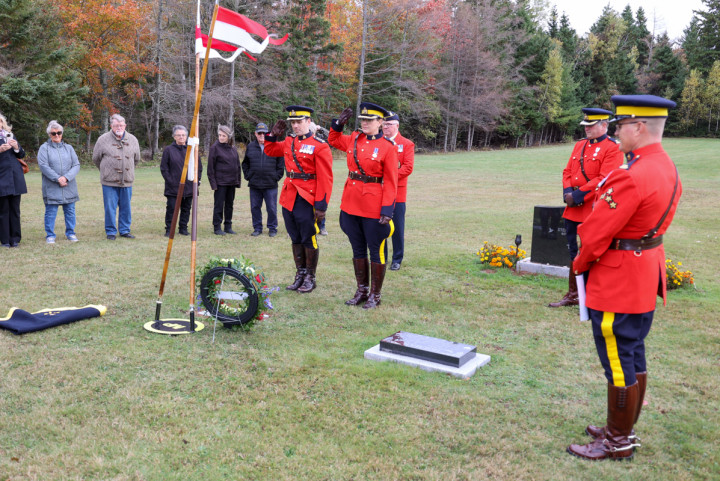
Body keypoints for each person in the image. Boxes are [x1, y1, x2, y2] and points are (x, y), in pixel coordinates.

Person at [566, 95, 682, 461]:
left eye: (621, 126)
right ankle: (623, 427)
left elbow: (595, 232)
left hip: (620, 278)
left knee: (617, 356)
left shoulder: (633, 175)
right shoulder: (666, 167)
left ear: (639, 127)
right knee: (633, 352)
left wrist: (580, 263)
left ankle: (617, 440)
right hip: (644, 271)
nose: (617, 133)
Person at [548, 108, 623, 307]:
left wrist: (578, 195)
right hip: (573, 208)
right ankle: (574, 294)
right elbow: (567, 171)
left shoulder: (612, 147)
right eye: (585, 126)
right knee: (573, 251)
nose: (587, 129)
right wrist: (567, 193)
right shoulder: (580, 145)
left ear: (604, 125)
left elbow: (604, 178)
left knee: (591, 251)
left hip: (593, 207)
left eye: (591, 126)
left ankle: (594, 294)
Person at [328, 102, 398, 309]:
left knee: (376, 250)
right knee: (357, 249)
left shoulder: (387, 147)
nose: (365, 123)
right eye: (363, 120)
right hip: (351, 203)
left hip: (373, 205)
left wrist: (387, 209)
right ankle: (361, 291)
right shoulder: (354, 139)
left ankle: (375, 295)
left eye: (369, 120)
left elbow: (391, 182)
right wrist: (339, 124)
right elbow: (333, 139)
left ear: (380, 123)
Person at [264, 105, 333, 293]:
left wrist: (321, 204)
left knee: (308, 236)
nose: (295, 126)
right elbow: (270, 150)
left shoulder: (321, 146)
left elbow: (326, 178)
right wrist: (272, 135)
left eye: (299, 122)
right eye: (292, 122)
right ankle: (300, 274)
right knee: (294, 236)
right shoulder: (288, 142)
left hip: (308, 196)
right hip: (289, 195)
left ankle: (310, 276)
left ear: (309, 122)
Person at [92, 113, 140, 240]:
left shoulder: (133, 139)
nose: (119, 127)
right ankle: (111, 232)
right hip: (109, 181)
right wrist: (106, 170)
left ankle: (124, 230)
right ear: (111, 126)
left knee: (126, 207)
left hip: (127, 180)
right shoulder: (102, 139)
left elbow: (136, 159)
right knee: (110, 208)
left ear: (125, 125)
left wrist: (127, 169)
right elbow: (96, 159)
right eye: (116, 125)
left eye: (121, 125)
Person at [37, 120, 81, 244]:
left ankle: (71, 233)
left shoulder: (69, 148)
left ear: (62, 133)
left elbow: (76, 164)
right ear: (49, 134)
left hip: (69, 185)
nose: (56, 135)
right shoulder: (44, 148)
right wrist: (57, 178)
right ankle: (50, 235)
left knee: (70, 211)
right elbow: (43, 165)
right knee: (51, 212)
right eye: (53, 133)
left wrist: (66, 178)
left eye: (59, 133)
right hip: (51, 186)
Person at [382, 112, 415, 271]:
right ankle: (381, 257)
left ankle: (397, 259)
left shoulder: (406, 144)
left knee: (397, 228)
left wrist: (388, 176)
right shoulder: (378, 142)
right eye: (384, 124)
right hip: (378, 192)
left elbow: (407, 168)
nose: (385, 127)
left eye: (389, 124)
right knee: (379, 227)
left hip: (397, 194)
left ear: (397, 126)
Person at [242, 122, 283, 237]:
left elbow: (281, 165)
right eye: (259, 133)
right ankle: (257, 228)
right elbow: (245, 164)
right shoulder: (250, 147)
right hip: (255, 184)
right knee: (255, 207)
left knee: (271, 207)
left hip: (270, 185)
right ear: (255, 134)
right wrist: (248, 176)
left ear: (268, 133)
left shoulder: (275, 146)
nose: (262, 135)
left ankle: (272, 228)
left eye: (264, 133)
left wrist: (275, 177)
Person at [160, 125, 202, 237]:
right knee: (172, 209)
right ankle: (169, 229)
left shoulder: (192, 149)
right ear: (174, 137)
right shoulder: (168, 150)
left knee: (186, 208)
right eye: (178, 135)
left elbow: (199, 167)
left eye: (183, 135)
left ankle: (183, 228)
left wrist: (196, 181)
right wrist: (171, 181)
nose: (181, 137)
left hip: (189, 186)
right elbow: (164, 168)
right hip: (174, 186)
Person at [207, 125, 241, 235]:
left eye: (224, 136)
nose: (221, 138)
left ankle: (228, 226)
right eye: (220, 135)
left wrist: (238, 181)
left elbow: (237, 165)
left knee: (229, 205)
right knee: (219, 205)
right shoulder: (214, 148)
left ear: (228, 137)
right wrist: (213, 184)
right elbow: (210, 168)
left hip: (231, 182)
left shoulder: (233, 148)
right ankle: (217, 227)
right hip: (220, 182)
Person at [0, 112, 27, 248]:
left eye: (0, 122)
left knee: (15, 209)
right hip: (1, 177)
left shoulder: (9, 135)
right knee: (3, 210)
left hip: (15, 177)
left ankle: (15, 239)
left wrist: (16, 147)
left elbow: (22, 154)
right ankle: (5, 240)